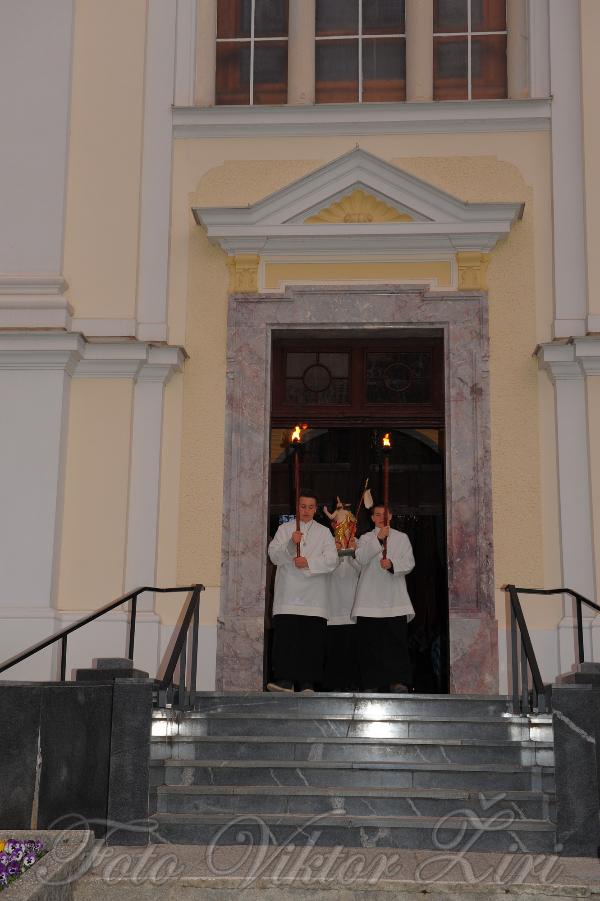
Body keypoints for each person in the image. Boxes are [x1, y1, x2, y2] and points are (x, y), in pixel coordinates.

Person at [267, 491, 338, 693]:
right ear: (297, 508)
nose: (306, 510)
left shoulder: (324, 532)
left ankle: (308, 683)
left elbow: (332, 560)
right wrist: (291, 544)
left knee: (311, 642)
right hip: (289, 593)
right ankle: (285, 681)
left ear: (316, 509)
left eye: (310, 507)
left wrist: (308, 562)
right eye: (302, 506)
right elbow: (273, 555)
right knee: (287, 640)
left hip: (315, 596)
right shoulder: (284, 529)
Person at [352, 503, 415, 692]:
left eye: (385, 515)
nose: (382, 518)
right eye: (378, 515)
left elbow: (409, 562)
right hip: (369, 600)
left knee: (396, 644)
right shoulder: (365, 538)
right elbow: (361, 558)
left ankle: (397, 682)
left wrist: (393, 564)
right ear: (372, 518)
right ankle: (371, 683)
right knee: (370, 645)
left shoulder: (402, 538)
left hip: (394, 599)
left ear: (391, 516)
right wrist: (378, 539)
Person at [323, 535, 360, 692]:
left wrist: (355, 553)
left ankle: (354, 685)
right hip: (332, 608)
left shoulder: (360, 542)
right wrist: (335, 553)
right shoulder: (326, 542)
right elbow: (321, 569)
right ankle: (333, 687)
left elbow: (366, 570)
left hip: (354, 608)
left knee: (354, 651)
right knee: (333, 651)